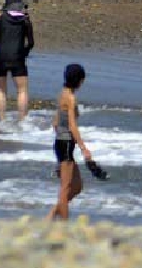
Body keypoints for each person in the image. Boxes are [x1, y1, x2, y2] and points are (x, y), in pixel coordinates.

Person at [47, 64, 91, 220]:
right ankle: (64, 226)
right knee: (65, 189)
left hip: (62, 143)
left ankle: (51, 215)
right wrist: (84, 148)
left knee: (77, 186)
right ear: (80, 80)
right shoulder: (70, 98)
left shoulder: (63, 94)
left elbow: (55, 123)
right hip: (65, 144)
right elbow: (72, 125)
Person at [0, 0, 34, 121]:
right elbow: (31, 42)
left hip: (0, 57)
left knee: (1, 89)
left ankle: (2, 119)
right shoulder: (25, 20)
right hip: (18, 57)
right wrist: (25, 52)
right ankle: (22, 120)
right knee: (22, 90)